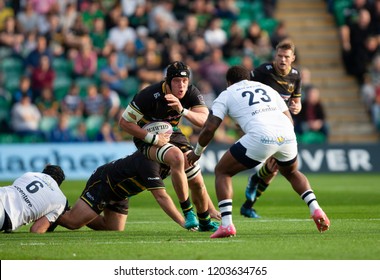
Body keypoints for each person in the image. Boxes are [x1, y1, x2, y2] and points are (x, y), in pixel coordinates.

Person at [187, 66, 330, 238]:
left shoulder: (227, 93)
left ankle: (226, 225)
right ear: (249, 78)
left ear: (228, 82)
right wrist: (277, 148)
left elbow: (210, 127)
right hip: (287, 133)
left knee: (222, 171)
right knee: (292, 172)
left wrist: (197, 152)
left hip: (261, 135)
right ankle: (316, 209)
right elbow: (289, 119)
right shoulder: (268, 89)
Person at [119, 61, 219, 232]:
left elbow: (204, 121)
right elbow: (124, 122)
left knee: (196, 179)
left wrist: (183, 110)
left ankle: (204, 221)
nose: (181, 86)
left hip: (172, 131)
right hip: (146, 136)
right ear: (167, 81)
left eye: (185, 81)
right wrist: (152, 138)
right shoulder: (149, 95)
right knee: (177, 157)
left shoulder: (191, 92)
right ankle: (188, 213)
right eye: (177, 82)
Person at [240, 39, 302, 219]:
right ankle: (251, 192)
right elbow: (242, 85)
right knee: (274, 166)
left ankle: (248, 204)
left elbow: (296, 101)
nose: (282, 60)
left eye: (286, 57)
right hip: (263, 123)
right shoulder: (263, 71)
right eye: (280, 56)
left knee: (273, 169)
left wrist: (297, 106)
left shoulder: (296, 76)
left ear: (293, 58)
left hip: (282, 124)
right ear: (276, 55)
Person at [55, 151, 188, 231]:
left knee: (113, 228)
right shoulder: (149, 162)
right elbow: (161, 197)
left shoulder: (170, 159)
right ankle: (51, 210)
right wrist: (183, 221)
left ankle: (71, 212)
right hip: (105, 182)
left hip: (121, 193)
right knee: (72, 222)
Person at [0, 164, 67, 233]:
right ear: (59, 184)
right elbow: (36, 229)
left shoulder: (30, 174)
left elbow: (15, 190)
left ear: (44, 172)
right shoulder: (61, 200)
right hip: (6, 216)